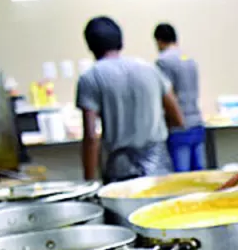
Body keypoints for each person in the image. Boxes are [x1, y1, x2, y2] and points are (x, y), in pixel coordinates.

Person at [76, 16, 184, 182]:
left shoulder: (91, 77)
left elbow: (91, 136)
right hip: (159, 169)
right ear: (120, 41)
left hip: (122, 173)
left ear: (90, 45)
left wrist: (89, 182)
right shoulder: (150, 69)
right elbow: (178, 118)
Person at [153, 23, 207, 173]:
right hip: (197, 122)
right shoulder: (189, 59)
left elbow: (166, 94)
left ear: (158, 40)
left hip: (178, 125)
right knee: (199, 175)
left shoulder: (163, 61)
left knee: (181, 176)